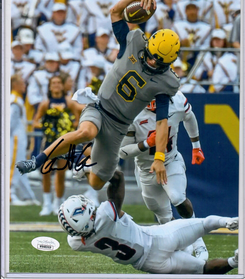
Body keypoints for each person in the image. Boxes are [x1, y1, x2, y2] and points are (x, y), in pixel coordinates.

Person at [16, 0, 181, 192]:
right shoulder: (134, 42)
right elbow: (115, 12)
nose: (151, 61)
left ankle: (83, 167)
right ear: (148, 45)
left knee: (96, 183)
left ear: (169, 62)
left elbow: (162, 122)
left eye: (158, 61)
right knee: (86, 132)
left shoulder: (166, 82)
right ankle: (36, 161)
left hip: (119, 127)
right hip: (100, 107)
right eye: (150, 55)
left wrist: (160, 157)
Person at [58, 171, 238, 274]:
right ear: (88, 215)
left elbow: (78, 234)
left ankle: (234, 262)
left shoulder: (77, 243)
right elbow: (118, 177)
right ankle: (229, 222)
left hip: (149, 265)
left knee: (202, 270)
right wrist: (92, 172)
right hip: (159, 239)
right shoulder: (105, 215)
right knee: (205, 224)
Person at [119, 90, 207, 259]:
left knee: (177, 198)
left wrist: (196, 145)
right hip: (146, 169)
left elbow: (190, 117)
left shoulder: (176, 100)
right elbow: (123, 152)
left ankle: (199, 243)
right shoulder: (131, 111)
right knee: (164, 216)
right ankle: (183, 248)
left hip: (170, 160)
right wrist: (146, 143)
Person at [32, 75, 80, 215]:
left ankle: (58, 202)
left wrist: (66, 124)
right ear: (50, 86)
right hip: (49, 142)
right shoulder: (45, 104)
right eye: (54, 83)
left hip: (64, 143)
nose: (57, 85)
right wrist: (47, 124)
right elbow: (35, 121)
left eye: (59, 82)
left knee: (60, 173)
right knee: (46, 172)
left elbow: (77, 120)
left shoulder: (69, 103)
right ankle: (46, 203)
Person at [10, 74, 40, 206]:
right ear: (15, 85)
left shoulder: (18, 100)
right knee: (14, 166)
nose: (24, 85)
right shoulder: (14, 100)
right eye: (22, 83)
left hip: (19, 140)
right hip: (14, 140)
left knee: (21, 167)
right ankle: (9, 194)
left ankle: (27, 195)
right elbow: (9, 124)